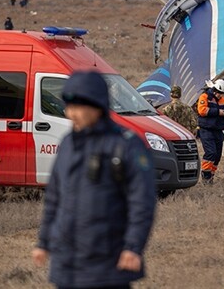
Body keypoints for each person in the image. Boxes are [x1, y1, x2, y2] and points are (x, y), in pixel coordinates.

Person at [32, 71, 157, 288]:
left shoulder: (126, 145)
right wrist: (43, 242)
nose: (71, 114)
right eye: (69, 107)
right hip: (67, 262)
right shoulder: (68, 143)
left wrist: (133, 247)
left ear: (97, 106)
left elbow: (142, 202)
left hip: (108, 260)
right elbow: (54, 197)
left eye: (78, 108)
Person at [196, 78, 224, 183]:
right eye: (219, 93)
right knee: (210, 152)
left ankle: (211, 174)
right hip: (206, 129)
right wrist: (217, 112)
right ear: (215, 90)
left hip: (218, 130)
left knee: (217, 155)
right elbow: (202, 110)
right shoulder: (205, 97)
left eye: (222, 93)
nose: (220, 95)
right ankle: (206, 176)